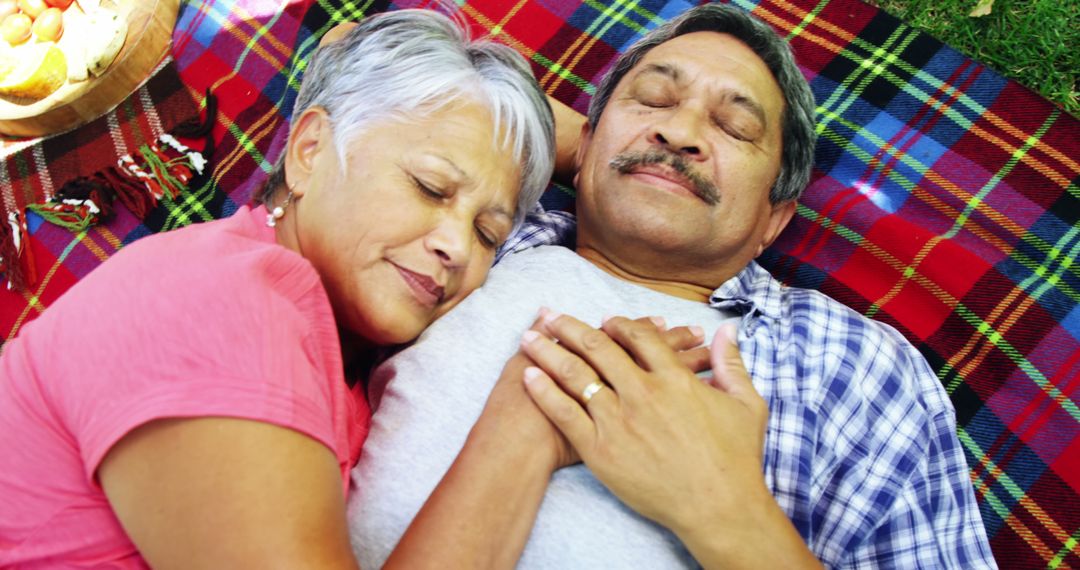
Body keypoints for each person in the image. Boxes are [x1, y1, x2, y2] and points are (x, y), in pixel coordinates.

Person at [346, 4, 998, 569]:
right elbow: (353, 53)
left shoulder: (849, 364)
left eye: (735, 128)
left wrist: (726, 512)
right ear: (588, 139)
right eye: (653, 101)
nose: (681, 132)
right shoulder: (485, 229)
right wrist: (573, 148)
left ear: (775, 216)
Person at [0, 9, 565, 567]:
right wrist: (519, 437)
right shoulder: (221, 298)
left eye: (488, 233)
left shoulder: (348, 366)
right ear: (310, 150)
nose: (459, 247)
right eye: (430, 187)